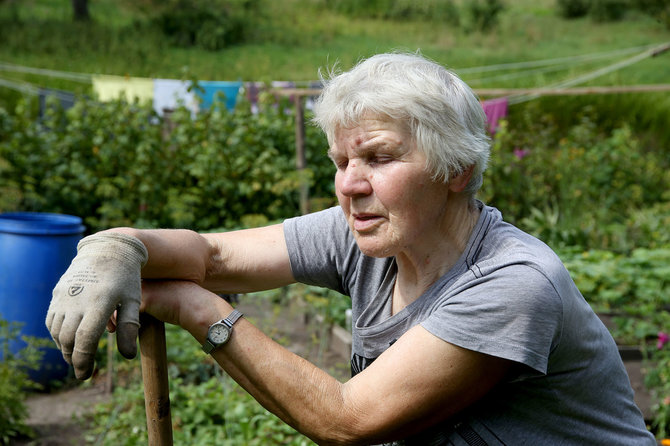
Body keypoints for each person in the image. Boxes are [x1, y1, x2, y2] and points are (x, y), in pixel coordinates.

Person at [46, 52, 656, 445]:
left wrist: (195, 308)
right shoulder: (368, 231)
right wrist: (119, 246)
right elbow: (214, 257)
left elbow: (347, 419)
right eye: (342, 160)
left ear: (459, 170)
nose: (349, 184)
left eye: (380, 157)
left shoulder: (514, 283)